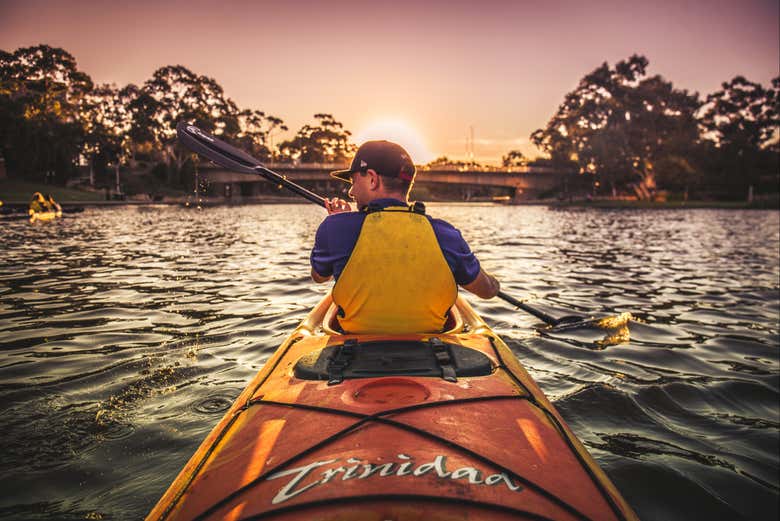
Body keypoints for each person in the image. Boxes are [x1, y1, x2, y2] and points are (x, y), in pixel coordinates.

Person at [310, 140, 500, 334]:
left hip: (353, 352)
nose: (351, 192)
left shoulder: (334, 228)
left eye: (353, 182)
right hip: (433, 354)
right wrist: (494, 283)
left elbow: (319, 276)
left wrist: (337, 224)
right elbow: (487, 291)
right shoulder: (447, 234)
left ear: (372, 179)